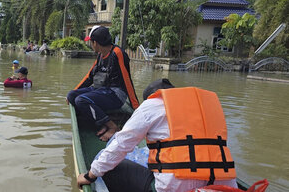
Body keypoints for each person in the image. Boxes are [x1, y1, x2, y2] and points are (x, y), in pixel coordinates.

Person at [77, 79, 238, 192]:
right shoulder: (207, 108)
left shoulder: (152, 104)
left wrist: (90, 175)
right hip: (222, 187)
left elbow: (121, 145)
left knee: (111, 169)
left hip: (175, 189)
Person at [67, 25, 139, 142]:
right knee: (71, 96)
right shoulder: (100, 55)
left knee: (81, 100)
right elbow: (89, 76)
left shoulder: (117, 53)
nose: (91, 45)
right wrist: (74, 91)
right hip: (101, 90)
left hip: (116, 94)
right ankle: (103, 122)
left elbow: (127, 80)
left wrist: (136, 107)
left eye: (91, 42)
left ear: (96, 43)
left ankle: (112, 127)